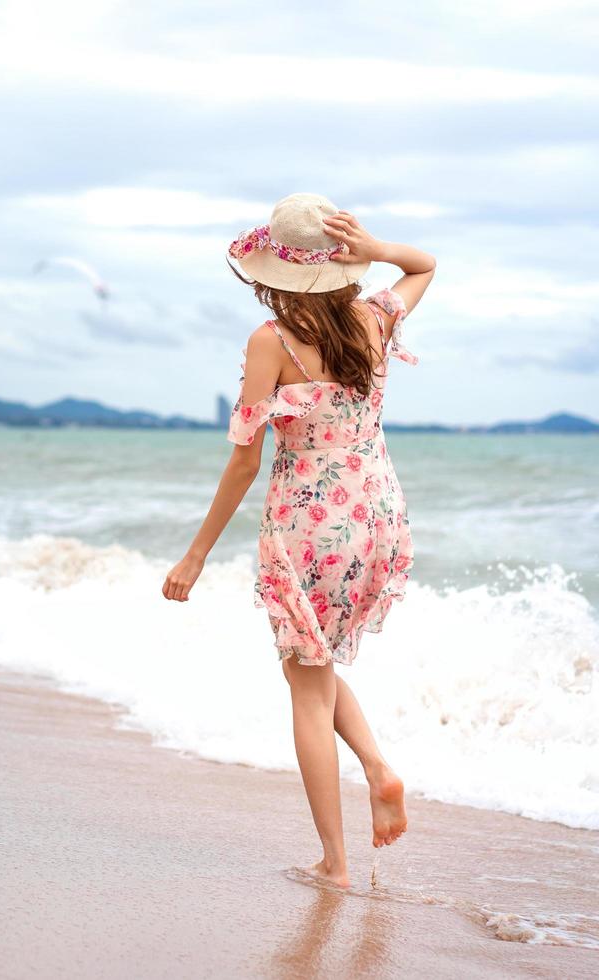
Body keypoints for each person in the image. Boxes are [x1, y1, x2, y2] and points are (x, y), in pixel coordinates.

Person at [160, 192, 436, 889]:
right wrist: (376, 252)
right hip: (375, 512)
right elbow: (425, 265)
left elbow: (246, 461)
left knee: (306, 687)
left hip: (308, 523)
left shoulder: (271, 343)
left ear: (271, 275)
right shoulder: (372, 319)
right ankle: (377, 769)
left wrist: (195, 553)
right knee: (309, 667)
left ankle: (337, 864)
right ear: (340, 263)